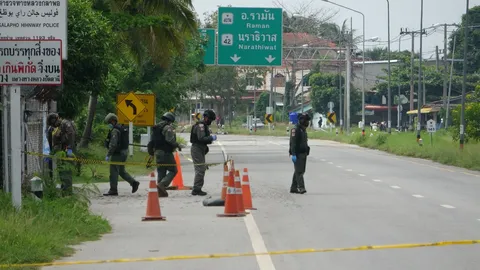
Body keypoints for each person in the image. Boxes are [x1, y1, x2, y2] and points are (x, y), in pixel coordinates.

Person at [147, 112, 184, 197]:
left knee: (161, 171)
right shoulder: (167, 128)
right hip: (166, 152)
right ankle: (162, 185)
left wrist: (151, 153)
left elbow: (151, 142)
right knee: (173, 170)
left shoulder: (156, 128)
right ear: (169, 120)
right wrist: (177, 145)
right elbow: (169, 140)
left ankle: (160, 191)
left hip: (157, 153)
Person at [103, 113, 140, 196]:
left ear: (113, 121)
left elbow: (113, 144)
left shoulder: (115, 131)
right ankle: (133, 183)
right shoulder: (122, 128)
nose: (108, 125)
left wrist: (108, 155)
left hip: (117, 154)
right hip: (124, 152)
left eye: (109, 122)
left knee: (113, 172)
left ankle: (113, 190)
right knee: (121, 171)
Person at [47, 113, 77, 195]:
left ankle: (67, 191)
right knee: (63, 169)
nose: (54, 125)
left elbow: (71, 136)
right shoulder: (59, 126)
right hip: (64, 151)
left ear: (56, 119)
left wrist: (69, 151)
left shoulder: (65, 124)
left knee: (66, 169)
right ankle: (65, 188)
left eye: (53, 122)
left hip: (68, 150)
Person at [190, 109, 217, 196]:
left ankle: (197, 188)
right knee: (200, 169)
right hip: (197, 148)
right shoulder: (201, 126)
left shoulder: (204, 125)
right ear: (206, 118)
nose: (210, 122)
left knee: (201, 168)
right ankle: (196, 189)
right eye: (210, 120)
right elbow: (201, 138)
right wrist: (211, 138)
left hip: (201, 148)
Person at [289, 113, 311, 194]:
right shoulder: (296, 129)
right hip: (297, 154)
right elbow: (293, 143)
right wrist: (293, 154)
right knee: (299, 171)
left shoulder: (303, 130)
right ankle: (301, 187)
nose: (307, 123)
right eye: (305, 121)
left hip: (304, 153)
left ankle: (293, 187)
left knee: (300, 171)